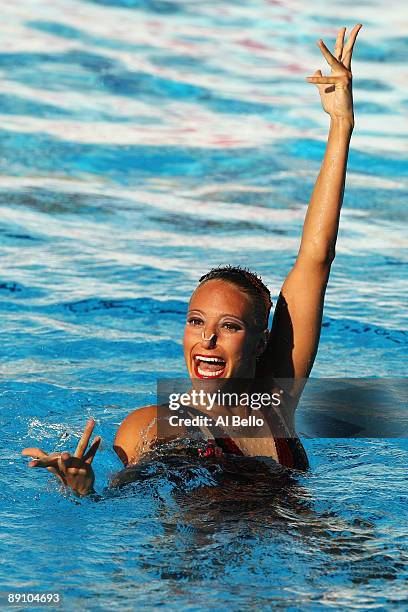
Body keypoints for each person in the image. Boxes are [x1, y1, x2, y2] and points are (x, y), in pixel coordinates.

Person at [22, 24, 363, 497]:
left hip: (291, 554)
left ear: (262, 342)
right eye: (197, 321)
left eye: (230, 326)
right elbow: (116, 501)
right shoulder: (156, 424)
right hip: (200, 565)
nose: (207, 338)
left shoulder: (275, 400)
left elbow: (316, 257)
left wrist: (341, 125)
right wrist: (80, 487)